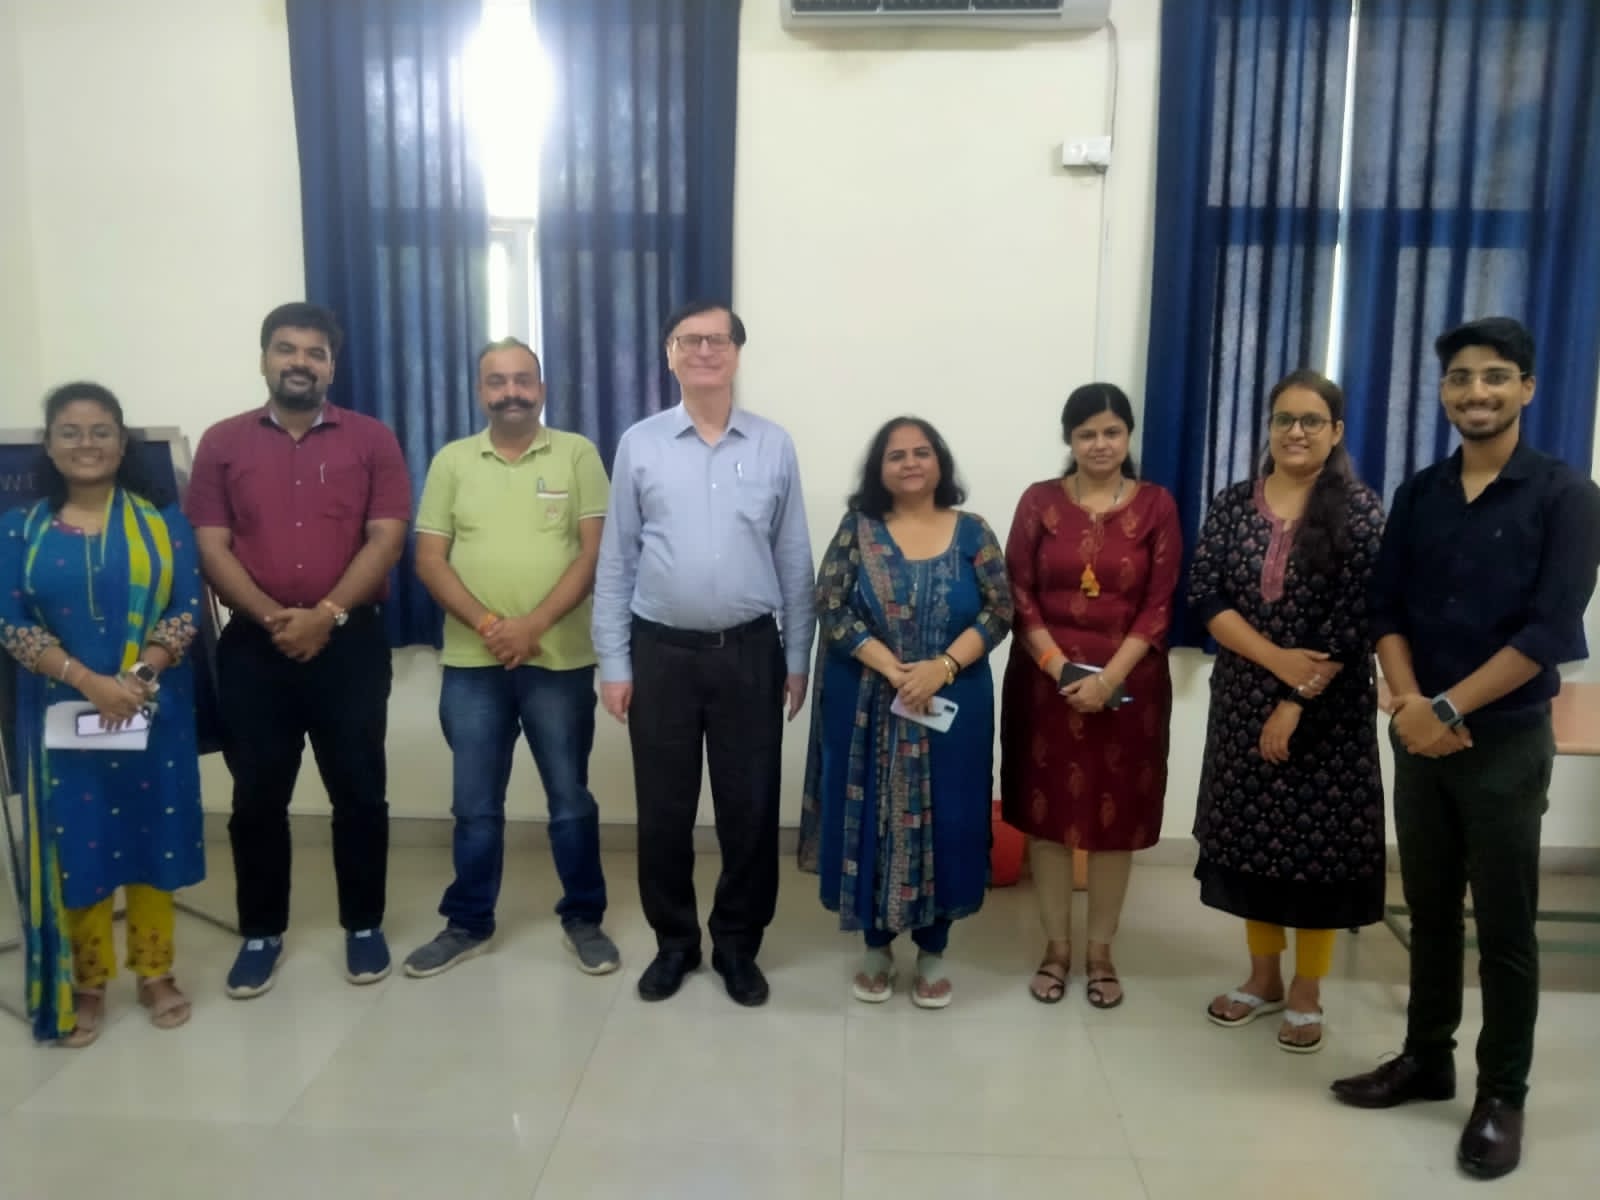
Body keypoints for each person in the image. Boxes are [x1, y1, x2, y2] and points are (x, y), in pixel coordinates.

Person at [1331, 318, 1600, 1180]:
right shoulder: (1420, 493)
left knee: (1507, 924)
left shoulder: (1566, 496)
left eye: (1493, 377)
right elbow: (1386, 607)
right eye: (1458, 378)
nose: (1474, 392)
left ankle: (1501, 1095)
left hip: (1505, 740)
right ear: (1442, 391)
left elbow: (1552, 626)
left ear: (1525, 387)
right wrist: (1411, 704)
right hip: (1421, 735)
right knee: (1431, 907)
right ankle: (1425, 1058)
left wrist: (1443, 705)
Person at [592, 301, 815, 1007]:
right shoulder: (641, 443)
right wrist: (614, 662)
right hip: (660, 654)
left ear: (737, 353)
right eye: (690, 340)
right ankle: (676, 942)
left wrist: (799, 657)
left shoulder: (774, 444)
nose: (704, 350)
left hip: (751, 653)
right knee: (663, 811)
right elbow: (617, 561)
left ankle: (739, 945)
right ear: (670, 356)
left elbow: (793, 557)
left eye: (717, 339)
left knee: (749, 811)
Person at [186, 302, 411, 998]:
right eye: (286, 349)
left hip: (351, 645)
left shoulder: (371, 439)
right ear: (263, 359)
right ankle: (260, 931)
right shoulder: (223, 443)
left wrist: (327, 614)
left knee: (360, 793)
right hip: (255, 648)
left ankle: (363, 925)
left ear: (332, 367)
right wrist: (275, 617)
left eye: (315, 353)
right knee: (256, 798)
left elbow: (386, 537)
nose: (300, 363)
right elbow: (210, 545)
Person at [403, 338, 618, 978]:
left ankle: (584, 917)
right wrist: (496, 626)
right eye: (497, 382)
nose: (511, 392)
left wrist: (534, 627)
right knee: (474, 804)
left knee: (570, 799)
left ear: (542, 389)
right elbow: (428, 559)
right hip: (473, 664)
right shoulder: (452, 462)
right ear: (481, 392)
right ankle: (467, 921)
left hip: (560, 660)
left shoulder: (577, 454)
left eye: (523, 379)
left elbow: (593, 554)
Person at [0, 383, 205, 1045]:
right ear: (50, 446)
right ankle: (88, 980)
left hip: (150, 709)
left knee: (153, 838)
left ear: (121, 444)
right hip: (61, 717)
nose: (86, 444)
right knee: (77, 849)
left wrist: (137, 678)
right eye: (70, 432)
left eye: (100, 432)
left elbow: (183, 610)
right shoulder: (17, 530)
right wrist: (90, 682)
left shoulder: (160, 522)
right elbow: (10, 621)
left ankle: (156, 971)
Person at [1188, 369, 1386, 1053]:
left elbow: (1356, 615)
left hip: (1329, 713)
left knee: (1317, 855)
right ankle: (1262, 978)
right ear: (1267, 429)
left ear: (1335, 433)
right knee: (1250, 845)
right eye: (1283, 419)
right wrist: (1275, 665)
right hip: (1243, 700)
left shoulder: (1359, 511)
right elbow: (1207, 594)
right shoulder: (1234, 503)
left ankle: (1307, 991)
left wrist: (1296, 700)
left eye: (1310, 420)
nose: (1295, 432)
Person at [800, 418, 1012, 1008]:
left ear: (940, 463)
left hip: (954, 701)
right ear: (880, 469)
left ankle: (935, 948)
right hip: (869, 698)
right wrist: (894, 670)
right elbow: (831, 604)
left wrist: (940, 667)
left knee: (952, 816)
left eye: (922, 452)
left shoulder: (974, 533)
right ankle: (874, 944)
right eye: (897, 455)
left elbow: (1000, 611)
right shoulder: (858, 530)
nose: (911, 463)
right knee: (867, 812)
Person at [999, 383, 1180, 1009]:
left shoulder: (1156, 505)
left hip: (1131, 691)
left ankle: (1100, 950)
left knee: (1115, 825)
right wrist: (1062, 670)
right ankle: (1056, 947)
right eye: (1086, 434)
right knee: (1048, 824)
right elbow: (1016, 594)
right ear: (1069, 439)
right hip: (1045, 686)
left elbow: (1158, 607)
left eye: (1111, 432)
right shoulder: (1039, 503)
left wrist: (1107, 680)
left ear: (1128, 437)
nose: (1099, 444)